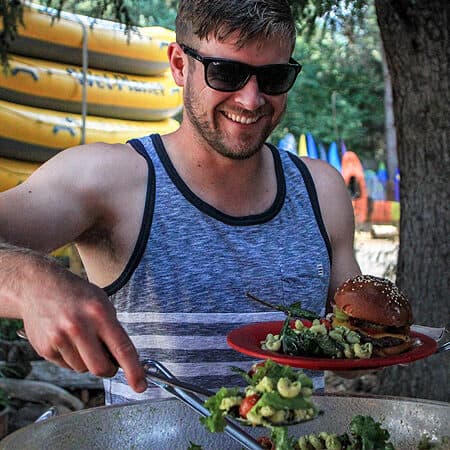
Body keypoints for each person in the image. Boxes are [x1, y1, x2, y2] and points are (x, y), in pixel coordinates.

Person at [0, 0, 360, 404]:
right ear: (178, 64)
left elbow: (357, 327)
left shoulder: (322, 191)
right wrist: (32, 282)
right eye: (227, 72)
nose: (251, 99)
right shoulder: (109, 179)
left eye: (273, 77)